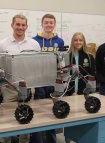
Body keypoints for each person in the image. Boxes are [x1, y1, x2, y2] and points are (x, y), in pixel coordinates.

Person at [0, 14, 40, 143]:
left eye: (23, 25)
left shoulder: (34, 44)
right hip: (9, 89)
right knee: (7, 121)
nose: (20, 27)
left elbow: (37, 66)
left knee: (25, 119)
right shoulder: (2, 45)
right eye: (18, 24)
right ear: (12, 25)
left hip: (27, 88)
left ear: (26, 26)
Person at [31, 13, 64, 143]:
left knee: (52, 112)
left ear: (54, 24)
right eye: (46, 22)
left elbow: (60, 61)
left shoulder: (59, 41)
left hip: (54, 82)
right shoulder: (34, 41)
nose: (49, 25)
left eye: (51, 22)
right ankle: (37, 140)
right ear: (42, 24)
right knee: (39, 113)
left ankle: (51, 140)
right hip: (39, 81)